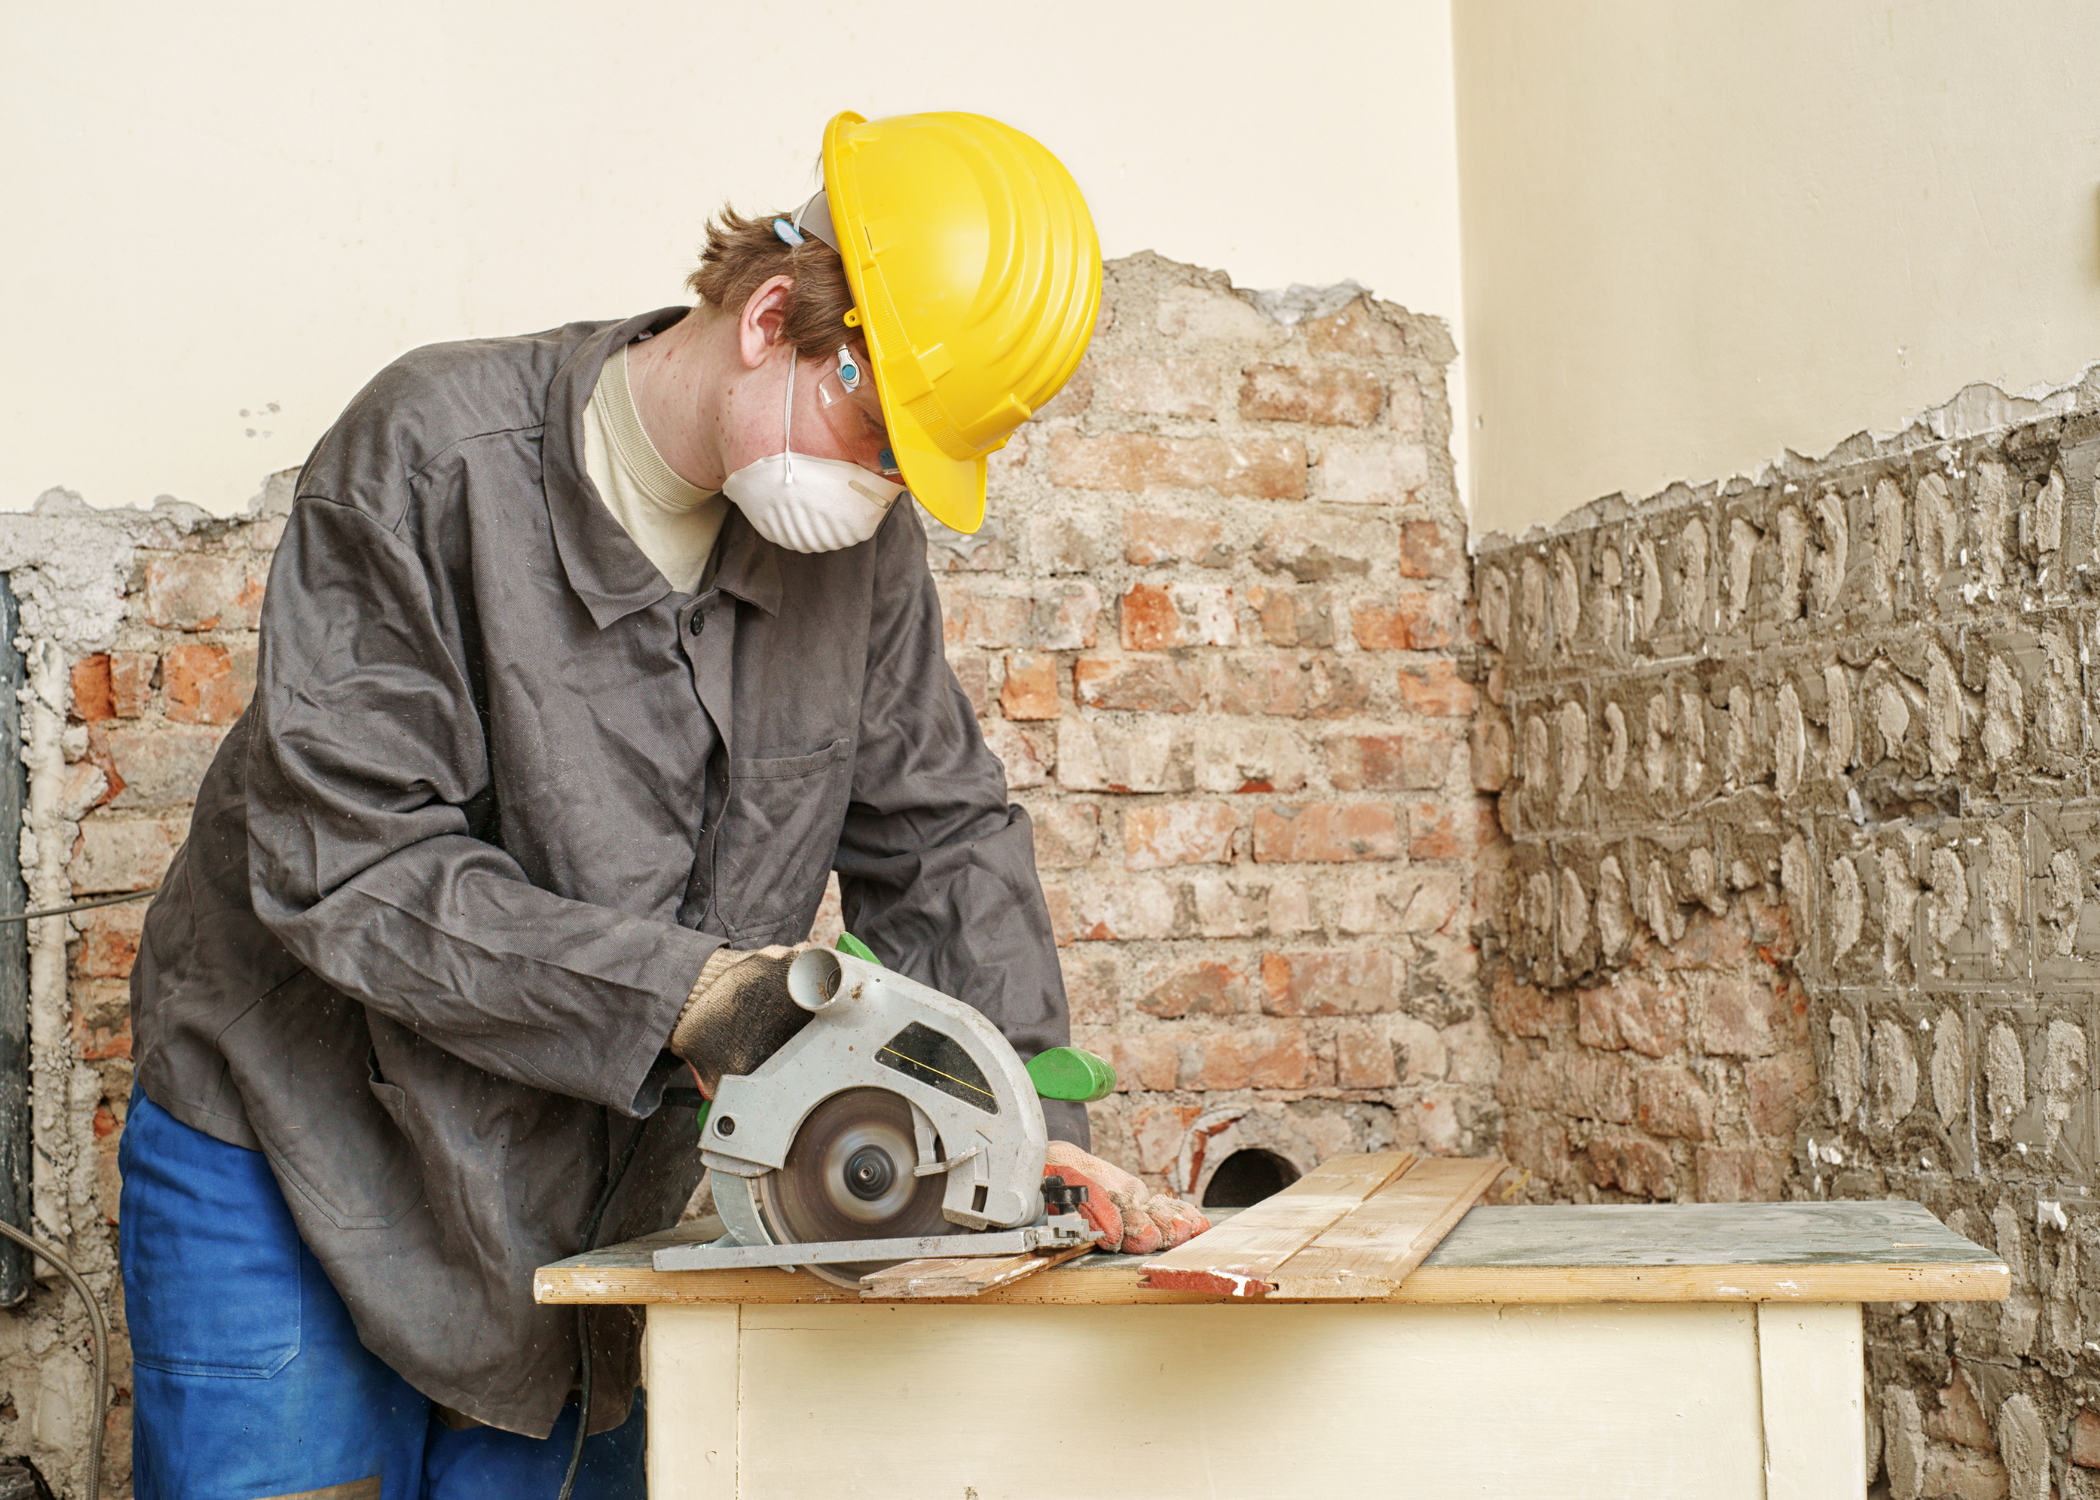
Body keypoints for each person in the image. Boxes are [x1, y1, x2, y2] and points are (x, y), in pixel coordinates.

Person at [117, 110, 1208, 1500]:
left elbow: (936, 835)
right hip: (297, 1135)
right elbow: (352, 862)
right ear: (772, 318)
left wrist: (1017, 1120)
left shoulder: (855, 558)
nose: (882, 486)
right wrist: (695, 999)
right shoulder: (431, 458)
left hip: (581, 1176)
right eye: (878, 429)